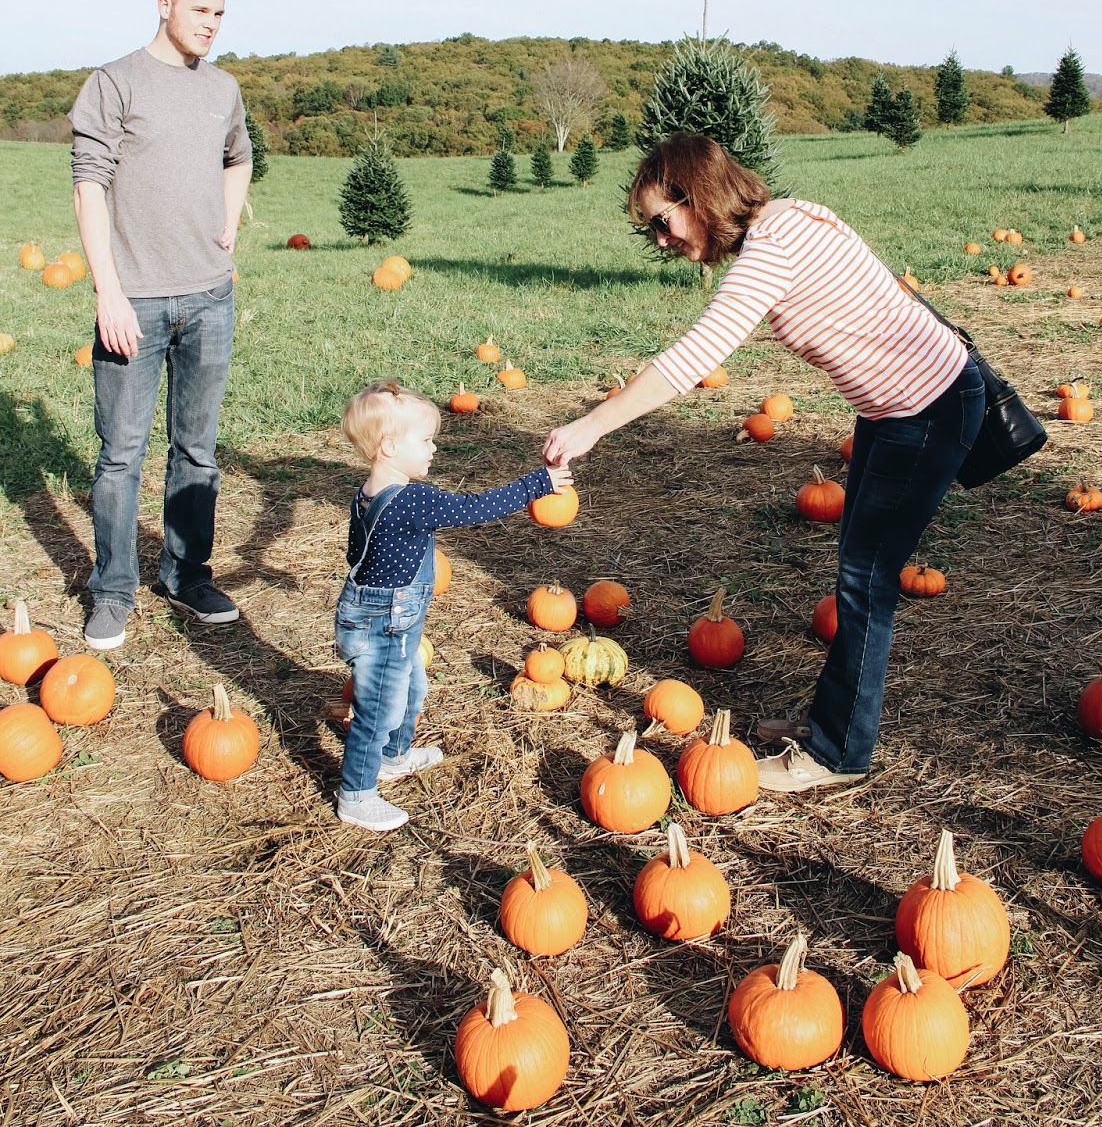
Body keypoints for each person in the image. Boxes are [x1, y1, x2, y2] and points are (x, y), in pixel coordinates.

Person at [543, 132, 985, 793]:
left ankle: (836, 754)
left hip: (925, 412)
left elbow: (695, 357)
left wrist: (592, 426)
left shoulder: (773, 246)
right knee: (858, 570)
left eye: (663, 221)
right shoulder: (795, 217)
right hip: (903, 410)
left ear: (699, 196)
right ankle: (831, 722)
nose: (661, 240)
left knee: (866, 584)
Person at [68, 0, 253, 651]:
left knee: (197, 452)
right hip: (134, 302)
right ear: (163, 4)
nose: (212, 26)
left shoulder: (223, 89)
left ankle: (185, 574)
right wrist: (107, 291)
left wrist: (229, 224)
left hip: (209, 298)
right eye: (201, 11)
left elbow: (240, 157)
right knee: (120, 456)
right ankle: (112, 590)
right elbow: (89, 185)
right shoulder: (114, 83)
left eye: (220, 15)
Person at [336, 379, 573, 833]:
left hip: (378, 615)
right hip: (382, 623)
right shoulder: (412, 499)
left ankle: (394, 756)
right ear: (388, 447)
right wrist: (536, 484)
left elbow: (355, 551)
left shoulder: (367, 493)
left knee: (411, 690)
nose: (434, 449)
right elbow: (474, 509)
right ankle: (356, 794)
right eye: (425, 440)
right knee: (378, 709)